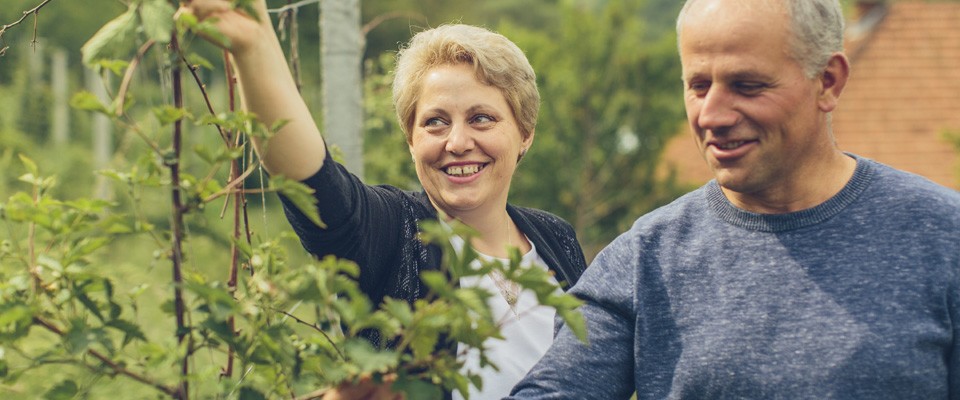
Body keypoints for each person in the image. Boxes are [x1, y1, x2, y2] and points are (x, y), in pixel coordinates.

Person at [508, 0, 960, 398]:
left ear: (828, 81)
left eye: (747, 85)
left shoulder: (942, 237)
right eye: (698, 86)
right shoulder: (645, 260)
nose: (712, 115)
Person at [178, 1, 587, 399]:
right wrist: (254, 45)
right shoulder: (394, 229)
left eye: (481, 118)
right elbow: (315, 181)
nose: (458, 142)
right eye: (435, 122)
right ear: (411, 141)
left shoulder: (556, 239)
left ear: (525, 133)